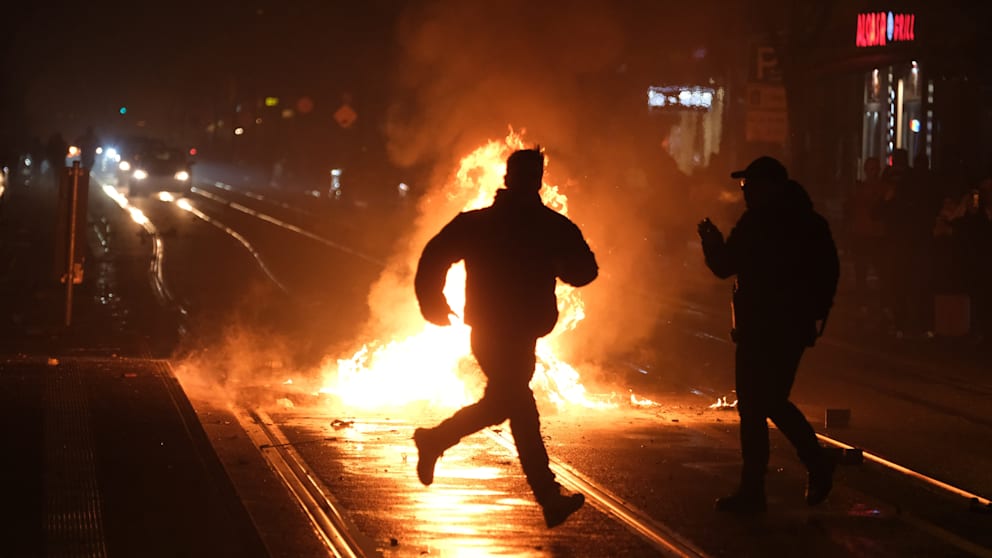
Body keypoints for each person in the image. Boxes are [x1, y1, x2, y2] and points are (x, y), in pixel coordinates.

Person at [412, 148, 599, 528]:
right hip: (498, 330)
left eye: (533, 177)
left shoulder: (495, 223)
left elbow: (584, 270)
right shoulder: (543, 225)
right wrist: (433, 302)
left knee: (504, 404)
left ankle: (434, 440)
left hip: (513, 331)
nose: (530, 183)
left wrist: (434, 301)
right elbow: (585, 270)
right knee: (520, 405)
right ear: (518, 179)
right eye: (527, 177)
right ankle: (548, 497)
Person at [697, 156, 839, 513]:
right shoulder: (811, 223)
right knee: (769, 401)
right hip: (788, 327)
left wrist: (711, 242)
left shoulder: (758, 223)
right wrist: (815, 316)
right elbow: (829, 273)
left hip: (763, 325)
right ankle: (784, 475)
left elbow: (725, 265)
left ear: (770, 187)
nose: (745, 194)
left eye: (750, 187)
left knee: (758, 403)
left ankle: (766, 484)